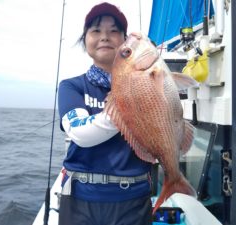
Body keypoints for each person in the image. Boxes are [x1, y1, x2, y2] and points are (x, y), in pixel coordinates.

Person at [57, 2, 152, 225]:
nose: (104, 37)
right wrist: (129, 102)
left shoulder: (145, 82)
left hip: (134, 199)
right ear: (85, 39)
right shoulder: (72, 86)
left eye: (113, 31)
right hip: (81, 200)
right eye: (96, 31)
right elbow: (81, 133)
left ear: (124, 40)